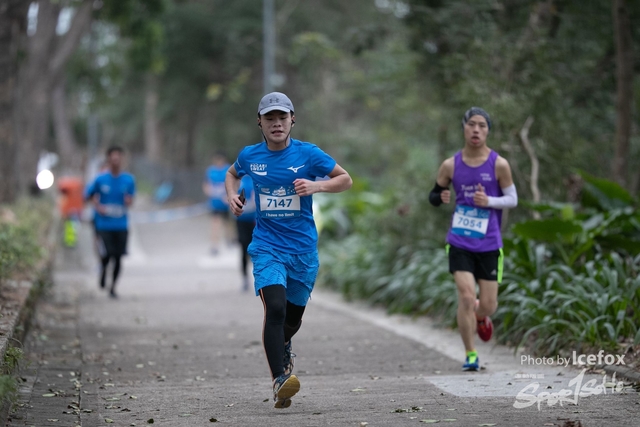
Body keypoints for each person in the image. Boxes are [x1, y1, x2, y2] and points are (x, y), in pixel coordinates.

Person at [225, 92, 352, 408]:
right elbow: (232, 174)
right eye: (270, 118)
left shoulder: (309, 155)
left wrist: (316, 186)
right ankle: (280, 379)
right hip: (268, 247)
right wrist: (232, 197)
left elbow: (345, 179)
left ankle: (283, 346)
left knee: (291, 321)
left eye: (282, 118)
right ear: (260, 123)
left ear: (292, 120)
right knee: (276, 309)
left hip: (303, 252)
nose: (276, 124)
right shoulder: (250, 156)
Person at [429, 107, 517, 372]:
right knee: (467, 297)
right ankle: (470, 354)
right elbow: (434, 194)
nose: (476, 130)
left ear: (488, 131)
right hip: (459, 242)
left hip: (489, 242)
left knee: (488, 305)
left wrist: (489, 201)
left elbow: (512, 199)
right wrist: (440, 197)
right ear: (464, 128)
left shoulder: (499, 164)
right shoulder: (451, 165)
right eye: (472, 125)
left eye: (482, 125)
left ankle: (480, 316)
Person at [84, 146, 136, 299]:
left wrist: (128, 201)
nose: (116, 161)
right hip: (104, 224)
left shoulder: (129, 180)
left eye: (118, 158)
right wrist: (97, 205)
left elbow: (131, 200)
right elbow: (89, 194)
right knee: (107, 254)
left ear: (122, 160)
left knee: (118, 257)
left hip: (121, 224)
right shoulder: (100, 179)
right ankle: (103, 271)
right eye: (113, 158)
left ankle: (113, 287)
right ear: (108, 160)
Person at [203, 153, 232, 255]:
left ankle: (229, 239)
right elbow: (206, 185)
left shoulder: (228, 170)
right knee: (215, 223)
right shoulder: (211, 171)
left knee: (227, 223)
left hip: (226, 203)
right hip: (215, 203)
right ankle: (214, 245)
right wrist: (210, 192)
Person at [235, 174, 256, 292]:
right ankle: (244, 278)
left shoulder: (257, 179)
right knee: (243, 249)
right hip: (241, 221)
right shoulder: (238, 181)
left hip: (254, 221)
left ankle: (257, 277)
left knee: (255, 250)